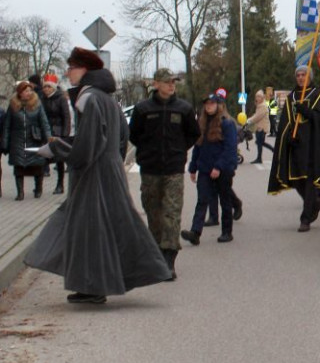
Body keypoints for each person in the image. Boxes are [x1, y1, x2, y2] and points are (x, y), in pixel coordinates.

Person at [25, 47, 171, 304]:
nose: (68, 72)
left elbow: (87, 146)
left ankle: (94, 286)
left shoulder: (89, 98)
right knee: (115, 226)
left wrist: (57, 149)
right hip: (108, 170)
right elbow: (119, 138)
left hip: (94, 174)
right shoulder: (106, 99)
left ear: (85, 70)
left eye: (71, 67)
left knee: (91, 230)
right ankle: (130, 275)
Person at [129, 68, 201, 277]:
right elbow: (134, 135)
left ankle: (169, 259)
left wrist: (179, 151)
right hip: (150, 169)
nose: (172, 85)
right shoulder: (143, 109)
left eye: (174, 82)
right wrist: (147, 151)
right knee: (154, 212)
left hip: (173, 169)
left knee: (172, 213)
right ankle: (157, 254)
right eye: (167, 82)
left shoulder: (183, 109)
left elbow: (193, 133)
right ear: (156, 84)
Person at [268, 65, 320, 232]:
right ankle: (314, 203)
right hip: (296, 145)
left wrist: (308, 112)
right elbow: (286, 121)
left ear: (310, 77)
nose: (300, 78)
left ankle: (305, 218)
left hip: (313, 146)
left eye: (303, 75)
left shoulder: (318, 95)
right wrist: (288, 137)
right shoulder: (291, 97)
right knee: (296, 180)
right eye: (298, 75)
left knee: (308, 181)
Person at [181, 93, 238, 245]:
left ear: (219, 105)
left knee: (225, 200)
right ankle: (195, 232)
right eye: (207, 104)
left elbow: (230, 148)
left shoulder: (227, 123)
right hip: (205, 169)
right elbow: (197, 147)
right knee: (202, 200)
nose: (209, 106)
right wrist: (193, 168)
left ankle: (227, 232)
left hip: (222, 169)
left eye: (212, 103)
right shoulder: (202, 124)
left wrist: (219, 167)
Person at [2, 80, 52, 200]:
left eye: (30, 90)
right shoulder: (13, 106)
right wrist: (5, 142)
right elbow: (7, 125)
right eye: (26, 91)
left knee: (37, 166)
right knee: (18, 167)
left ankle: (38, 188)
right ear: (20, 93)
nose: (28, 93)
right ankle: (20, 193)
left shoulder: (37, 105)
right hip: (17, 141)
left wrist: (49, 138)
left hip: (35, 139)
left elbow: (44, 123)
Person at [39, 74, 73, 194]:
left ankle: (60, 184)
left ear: (53, 87)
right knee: (42, 157)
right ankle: (39, 185)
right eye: (44, 87)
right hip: (45, 131)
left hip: (58, 131)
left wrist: (64, 134)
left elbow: (66, 117)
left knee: (59, 159)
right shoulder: (42, 99)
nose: (46, 89)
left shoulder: (61, 98)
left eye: (48, 87)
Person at [248, 89, 271, 164]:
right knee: (260, 142)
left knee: (259, 143)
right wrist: (250, 119)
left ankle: (259, 158)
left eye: (258, 97)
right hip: (260, 127)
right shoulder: (260, 105)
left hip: (262, 128)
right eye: (256, 97)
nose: (257, 98)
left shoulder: (263, 106)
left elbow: (258, 116)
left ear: (262, 98)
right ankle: (260, 157)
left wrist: (249, 120)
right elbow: (256, 115)